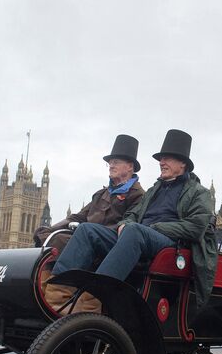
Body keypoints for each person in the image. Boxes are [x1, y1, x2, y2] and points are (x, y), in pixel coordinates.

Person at [50, 129, 217, 309]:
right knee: (87, 230)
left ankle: (93, 301)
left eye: (167, 158)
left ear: (182, 163)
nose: (161, 162)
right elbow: (132, 215)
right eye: (161, 159)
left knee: (134, 231)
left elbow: (195, 227)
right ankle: (56, 294)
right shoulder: (155, 190)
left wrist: (155, 228)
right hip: (137, 236)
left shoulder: (200, 193)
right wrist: (125, 223)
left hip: (169, 243)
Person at [35, 134, 145, 313]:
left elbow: (128, 226)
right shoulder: (101, 194)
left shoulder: (138, 196)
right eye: (110, 162)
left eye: (116, 161)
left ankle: (60, 298)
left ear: (130, 166)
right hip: (85, 236)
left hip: (108, 245)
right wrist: (49, 230)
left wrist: (88, 232)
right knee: (54, 238)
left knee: (73, 237)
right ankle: (44, 291)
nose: (111, 165)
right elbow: (77, 217)